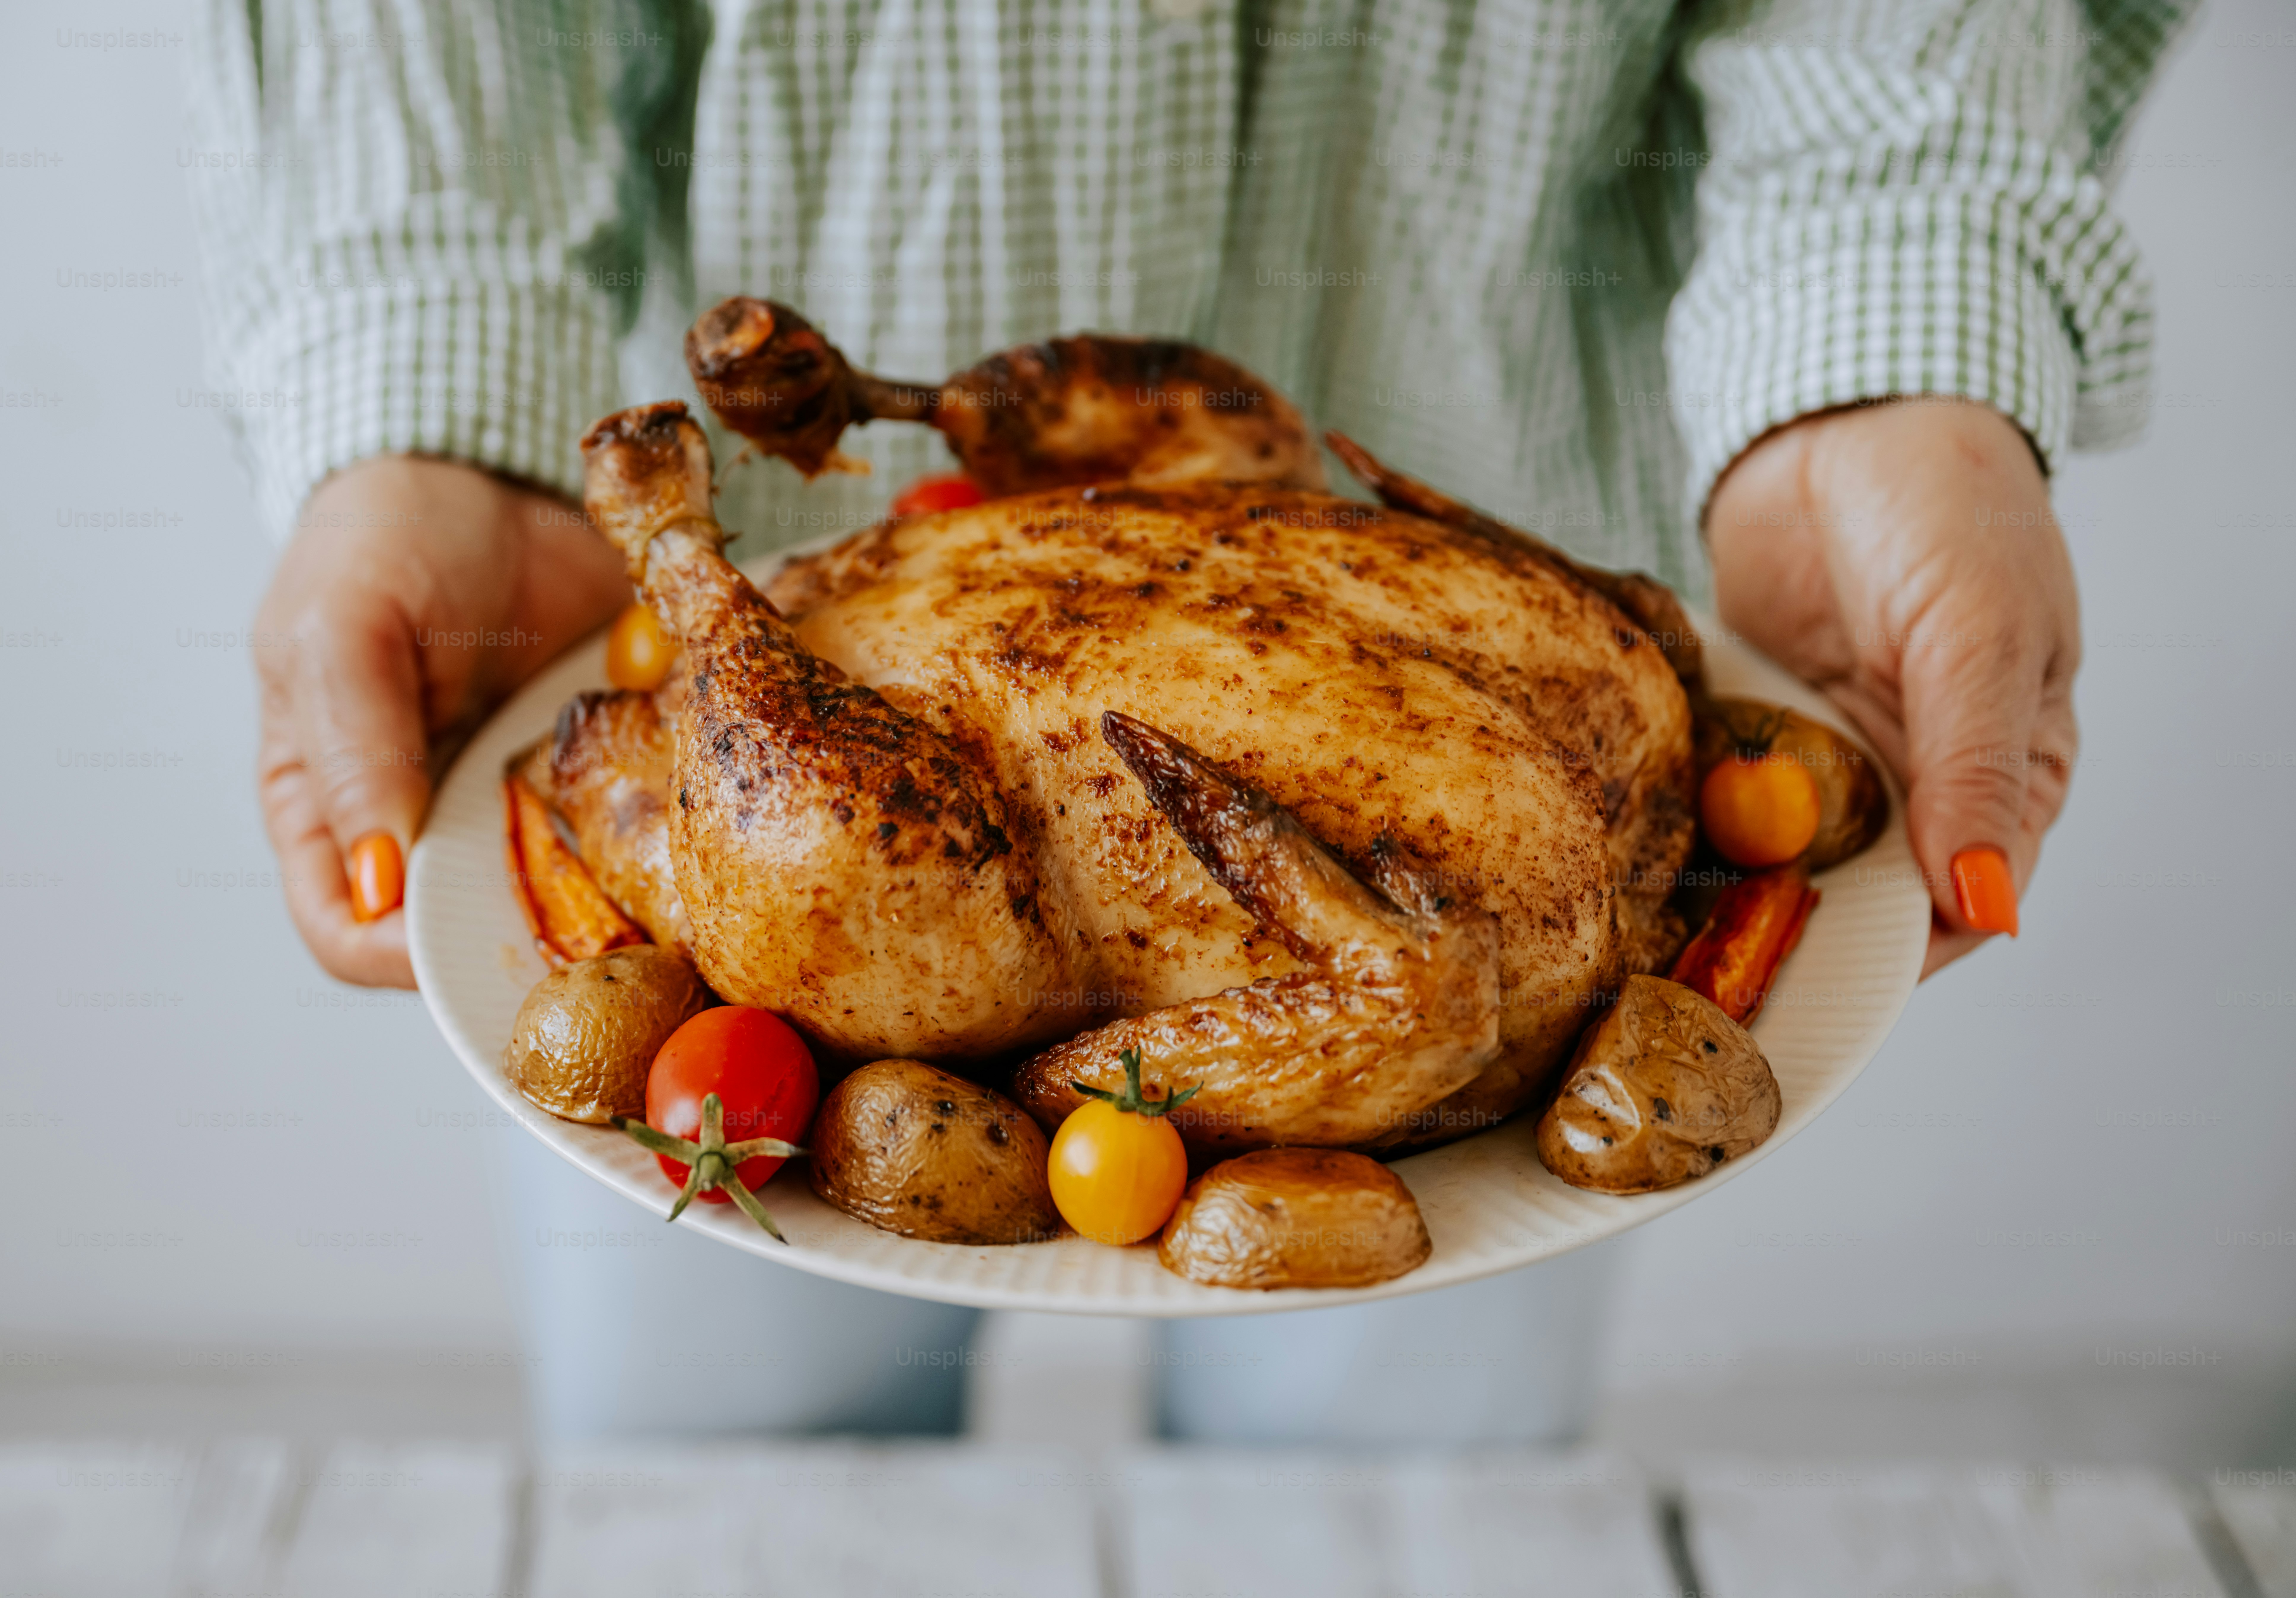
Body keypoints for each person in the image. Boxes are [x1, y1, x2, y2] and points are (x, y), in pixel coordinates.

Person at [186, 0, 2190, 1443]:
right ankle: (682, 538)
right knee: (725, 1460)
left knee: (1403, 1494)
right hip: (1004, 627)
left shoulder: (1570, 765)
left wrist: (1888, 360)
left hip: (1474, 599)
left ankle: (713, 528)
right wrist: (420, 392)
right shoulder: (1595, 724)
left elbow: (1406, 992)